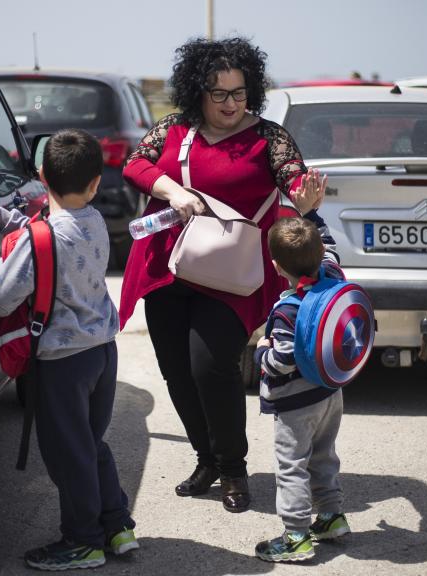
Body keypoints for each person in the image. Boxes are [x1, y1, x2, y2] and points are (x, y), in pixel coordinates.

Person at [118, 37, 328, 513]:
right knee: (175, 372)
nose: (231, 103)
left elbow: (293, 178)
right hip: (167, 265)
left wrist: (306, 198)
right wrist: (171, 190)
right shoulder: (174, 127)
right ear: (199, 93)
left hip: (231, 274)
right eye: (219, 94)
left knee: (210, 367)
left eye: (238, 92)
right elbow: (135, 164)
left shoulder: (268, 137)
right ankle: (206, 458)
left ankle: (234, 470)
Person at [0, 129, 136, 571]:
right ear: (97, 182)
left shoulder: (40, 238)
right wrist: (4, 219)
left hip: (62, 363)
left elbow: (0, 297)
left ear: (42, 177)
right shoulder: (96, 221)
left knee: (68, 454)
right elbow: (47, 236)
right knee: (90, 442)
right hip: (102, 351)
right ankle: (116, 523)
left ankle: (83, 541)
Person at [253, 208, 349, 563]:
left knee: (292, 464)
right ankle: (330, 517)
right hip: (329, 391)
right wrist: (312, 214)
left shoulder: (288, 310)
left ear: (277, 266)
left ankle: (296, 536)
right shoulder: (333, 277)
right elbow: (330, 247)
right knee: (324, 455)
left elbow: (282, 361)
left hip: (295, 403)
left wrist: (261, 354)